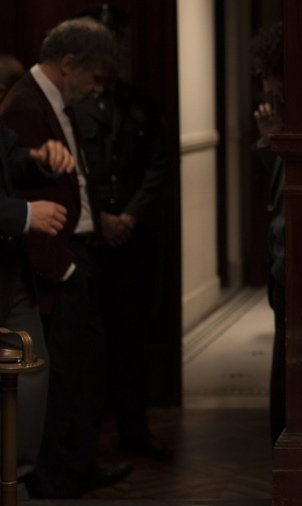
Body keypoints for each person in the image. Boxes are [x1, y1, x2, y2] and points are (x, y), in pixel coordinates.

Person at [0, 16, 132, 497]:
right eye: (94, 78)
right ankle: (36, 480)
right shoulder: (23, 101)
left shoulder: (45, 104)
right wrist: (57, 257)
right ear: (70, 62)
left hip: (44, 262)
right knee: (46, 381)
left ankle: (41, 477)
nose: (96, 90)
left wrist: (40, 161)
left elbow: (17, 162)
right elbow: (21, 202)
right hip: (41, 265)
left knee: (58, 377)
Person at [70, 3, 172, 462]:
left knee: (133, 341)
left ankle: (135, 433)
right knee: (88, 348)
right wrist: (100, 219)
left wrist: (128, 218)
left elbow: (157, 166)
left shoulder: (139, 101)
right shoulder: (71, 103)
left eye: (117, 40)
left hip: (133, 240)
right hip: (88, 238)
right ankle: (86, 444)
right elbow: (71, 171)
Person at [0, 121, 75, 497]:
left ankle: (14, 484)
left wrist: (41, 158)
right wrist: (23, 215)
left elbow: (10, 156)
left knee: (32, 374)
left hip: (10, 275)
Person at [251, 21, 286, 443]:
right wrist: (271, 141)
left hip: (290, 259)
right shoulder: (286, 116)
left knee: (286, 371)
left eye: (269, 75)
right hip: (281, 259)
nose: (266, 87)